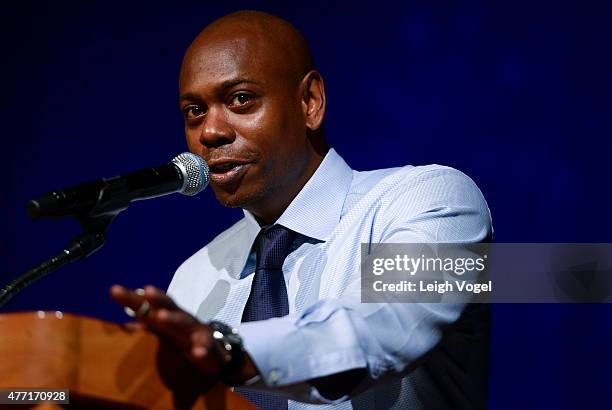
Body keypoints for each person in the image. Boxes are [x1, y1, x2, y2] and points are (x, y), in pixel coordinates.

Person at [111, 10, 492, 410]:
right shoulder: (195, 277)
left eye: (240, 99)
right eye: (194, 111)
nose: (210, 132)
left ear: (310, 102)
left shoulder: (429, 201)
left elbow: (383, 324)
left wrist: (232, 350)